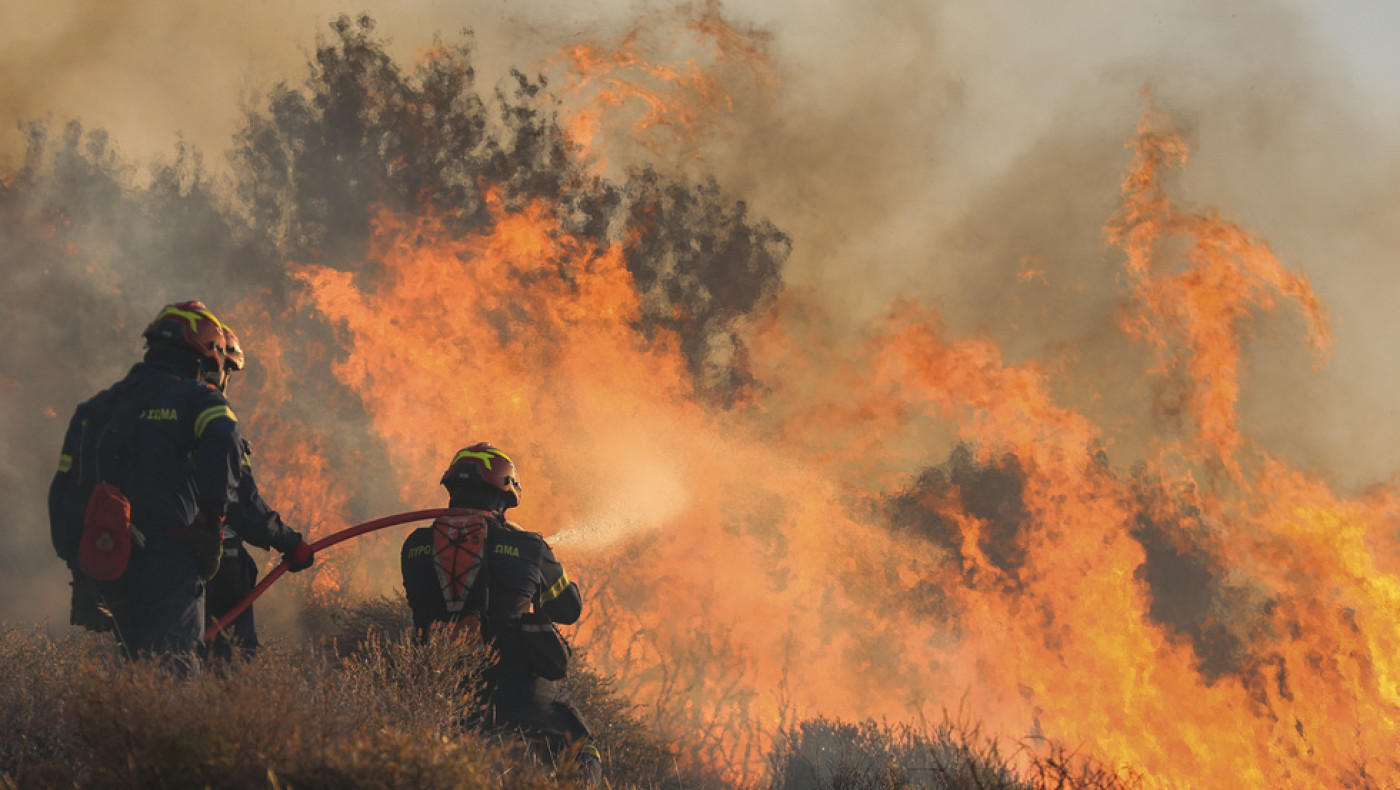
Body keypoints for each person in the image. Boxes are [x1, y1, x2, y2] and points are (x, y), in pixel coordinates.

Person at [49, 301, 241, 671]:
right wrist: (212, 519)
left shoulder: (95, 408)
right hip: (169, 562)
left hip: (107, 562)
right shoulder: (197, 398)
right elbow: (227, 437)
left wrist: (79, 562)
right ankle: (161, 729)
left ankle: (131, 728)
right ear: (204, 355)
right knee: (172, 674)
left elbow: (63, 491)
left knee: (135, 673)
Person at [400, 443, 602, 785]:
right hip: (523, 690)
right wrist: (532, 549)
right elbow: (568, 609)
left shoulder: (414, 546)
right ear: (502, 498)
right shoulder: (529, 546)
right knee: (581, 753)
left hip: (444, 694)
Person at [203, 326, 314, 659]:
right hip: (215, 558)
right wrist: (291, 543)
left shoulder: (144, 415)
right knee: (230, 656)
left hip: (151, 558)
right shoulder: (213, 421)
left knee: (161, 656)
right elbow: (241, 503)